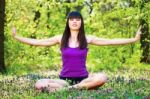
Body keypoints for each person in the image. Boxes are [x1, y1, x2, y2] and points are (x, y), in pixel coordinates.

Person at [12, 11, 141, 93]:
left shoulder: (87, 38)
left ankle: (67, 90)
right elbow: (38, 42)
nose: (74, 21)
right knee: (39, 84)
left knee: (102, 77)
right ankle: (72, 89)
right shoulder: (60, 38)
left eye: (77, 19)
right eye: (72, 19)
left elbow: (111, 41)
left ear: (81, 23)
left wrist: (134, 39)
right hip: (64, 80)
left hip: (84, 79)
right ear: (68, 22)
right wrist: (17, 37)